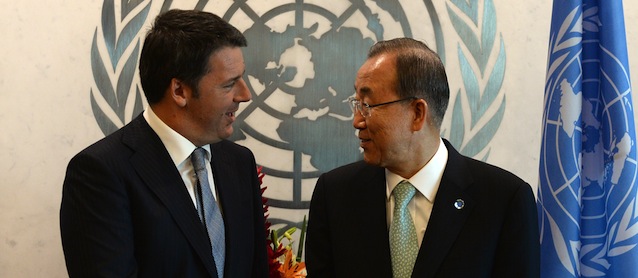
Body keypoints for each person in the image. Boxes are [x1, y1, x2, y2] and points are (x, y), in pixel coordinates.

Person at [305, 38, 540, 277]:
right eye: (357, 104)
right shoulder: (335, 194)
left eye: (368, 105)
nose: (357, 120)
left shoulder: (504, 200)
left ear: (417, 113)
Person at [60, 9, 268, 278]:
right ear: (179, 91)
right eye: (229, 84)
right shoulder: (100, 172)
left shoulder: (239, 162)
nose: (245, 94)